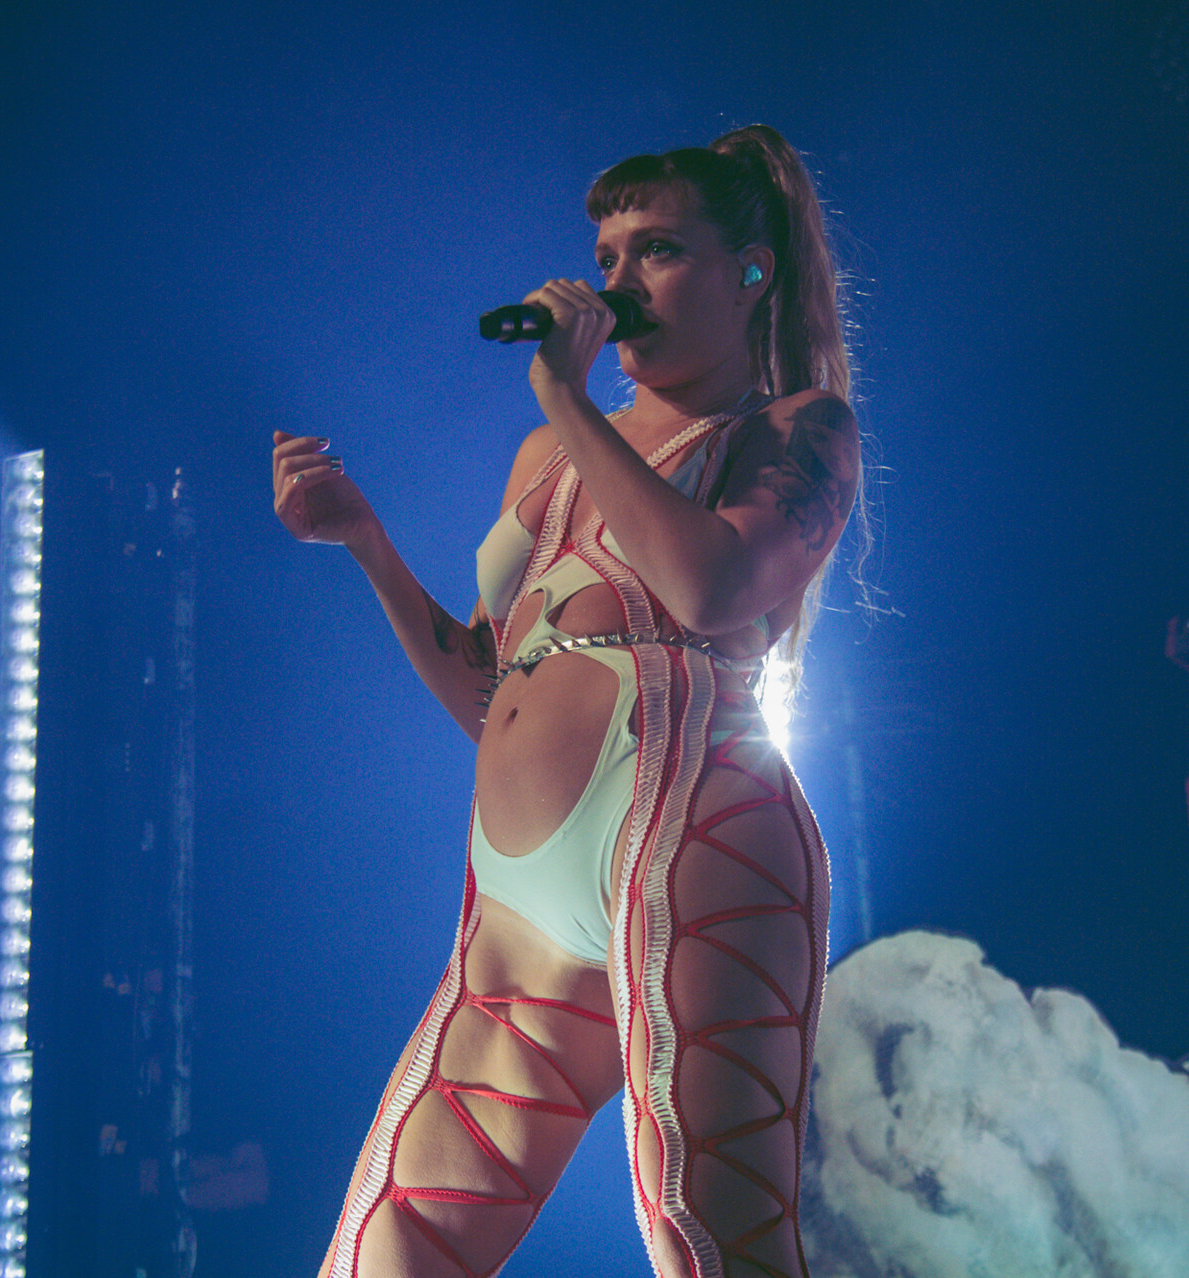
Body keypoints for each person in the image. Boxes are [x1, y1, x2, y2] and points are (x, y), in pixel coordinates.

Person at [272, 124, 862, 1278]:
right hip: (515, 910)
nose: (618, 281)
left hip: (698, 829)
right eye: (606, 256)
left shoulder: (795, 431)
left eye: (658, 250)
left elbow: (708, 586)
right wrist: (366, 542)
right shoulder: (543, 455)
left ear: (751, 272)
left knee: (709, 1240)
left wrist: (569, 396)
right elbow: (492, 687)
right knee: (384, 1254)